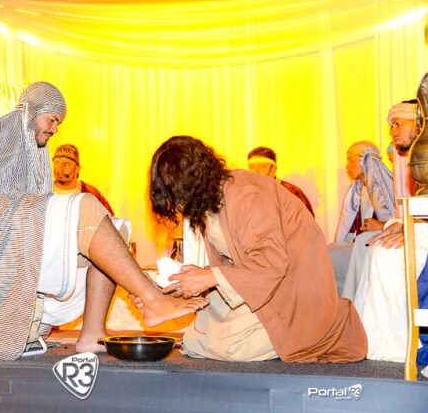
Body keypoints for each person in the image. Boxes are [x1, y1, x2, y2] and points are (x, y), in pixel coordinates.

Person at [0, 82, 207, 360]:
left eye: (58, 123)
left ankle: (92, 333)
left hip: (17, 233)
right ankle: (151, 299)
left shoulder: (33, 151)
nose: (55, 129)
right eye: (52, 120)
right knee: (86, 206)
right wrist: (14, 212)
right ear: (32, 111)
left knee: (113, 231)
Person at [142, 135, 367, 362]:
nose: (178, 205)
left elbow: (272, 262)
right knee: (197, 337)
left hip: (291, 288)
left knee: (230, 347)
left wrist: (211, 277)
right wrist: (193, 280)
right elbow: (234, 261)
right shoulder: (213, 199)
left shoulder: (247, 193)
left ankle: (335, 323)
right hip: (259, 284)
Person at [346, 100, 427, 361]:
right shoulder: (408, 160)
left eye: (398, 124)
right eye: (391, 125)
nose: (392, 131)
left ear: (418, 125)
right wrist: (397, 226)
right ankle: (371, 338)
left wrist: (408, 228)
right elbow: (403, 211)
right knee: (377, 247)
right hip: (418, 228)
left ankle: (404, 343)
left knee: (386, 256)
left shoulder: (422, 157)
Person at [335, 141, 394, 243]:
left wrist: (383, 226)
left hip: (383, 242)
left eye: (351, 160)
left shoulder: (388, 188)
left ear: (365, 160)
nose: (347, 167)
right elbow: (349, 224)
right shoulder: (355, 192)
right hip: (361, 243)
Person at [247, 146, 315, 216]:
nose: (255, 171)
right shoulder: (245, 193)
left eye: (262, 166)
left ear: (273, 169)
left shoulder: (292, 192)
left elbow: (306, 220)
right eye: (252, 167)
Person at [52, 144, 114, 216]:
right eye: (57, 163)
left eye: (67, 164)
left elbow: (110, 220)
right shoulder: (43, 193)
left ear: (77, 168)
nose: (60, 168)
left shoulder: (92, 194)